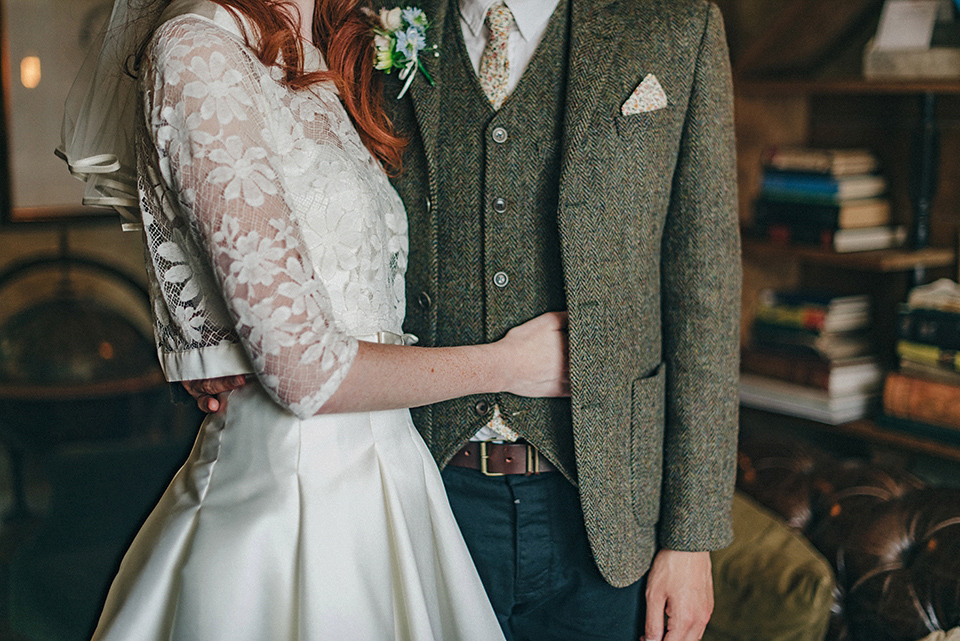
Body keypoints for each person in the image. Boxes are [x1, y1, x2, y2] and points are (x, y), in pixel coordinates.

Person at [190, 0, 742, 639]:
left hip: (610, 509)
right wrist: (202, 333)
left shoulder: (674, 25)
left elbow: (706, 290)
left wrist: (692, 535)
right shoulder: (363, 27)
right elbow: (262, 173)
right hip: (420, 486)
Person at [58, 0, 574, 638]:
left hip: (393, 483)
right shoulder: (199, 48)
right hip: (290, 496)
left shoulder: (332, 46)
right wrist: (511, 364)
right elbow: (302, 373)